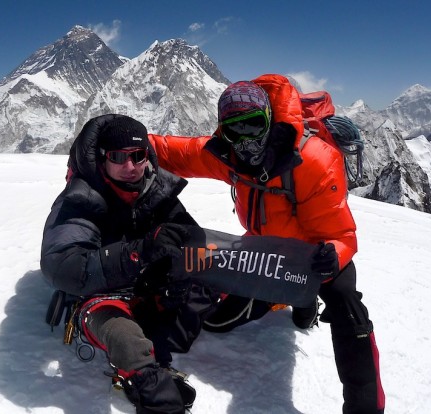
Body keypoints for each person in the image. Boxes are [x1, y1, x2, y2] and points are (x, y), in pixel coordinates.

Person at [149, 74, 385, 414]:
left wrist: (333, 255)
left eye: (253, 126)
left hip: (317, 255)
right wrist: (128, 140)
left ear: (269, 121)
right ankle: (289, 300)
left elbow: (341, 233)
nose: (244, 141)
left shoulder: (314, 160)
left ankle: (366, 408)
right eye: (234, 130)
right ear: (223, 131)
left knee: (347, 305)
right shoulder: (227, 155)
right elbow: (178, 152)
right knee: (216, 321)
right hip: (265, 254)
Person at [40, 114, 217, 413]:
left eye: (137, 156)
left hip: (151, 289)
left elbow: (194, 242)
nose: (130, 167)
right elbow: (64, 267)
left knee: (214, 280)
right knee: (125, 339)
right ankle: (151, 389)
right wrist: (139, 252)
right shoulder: (80, 199)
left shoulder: (157, 190)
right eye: (118, 157)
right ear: (101, 159)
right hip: (102, 298)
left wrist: (178, 274)